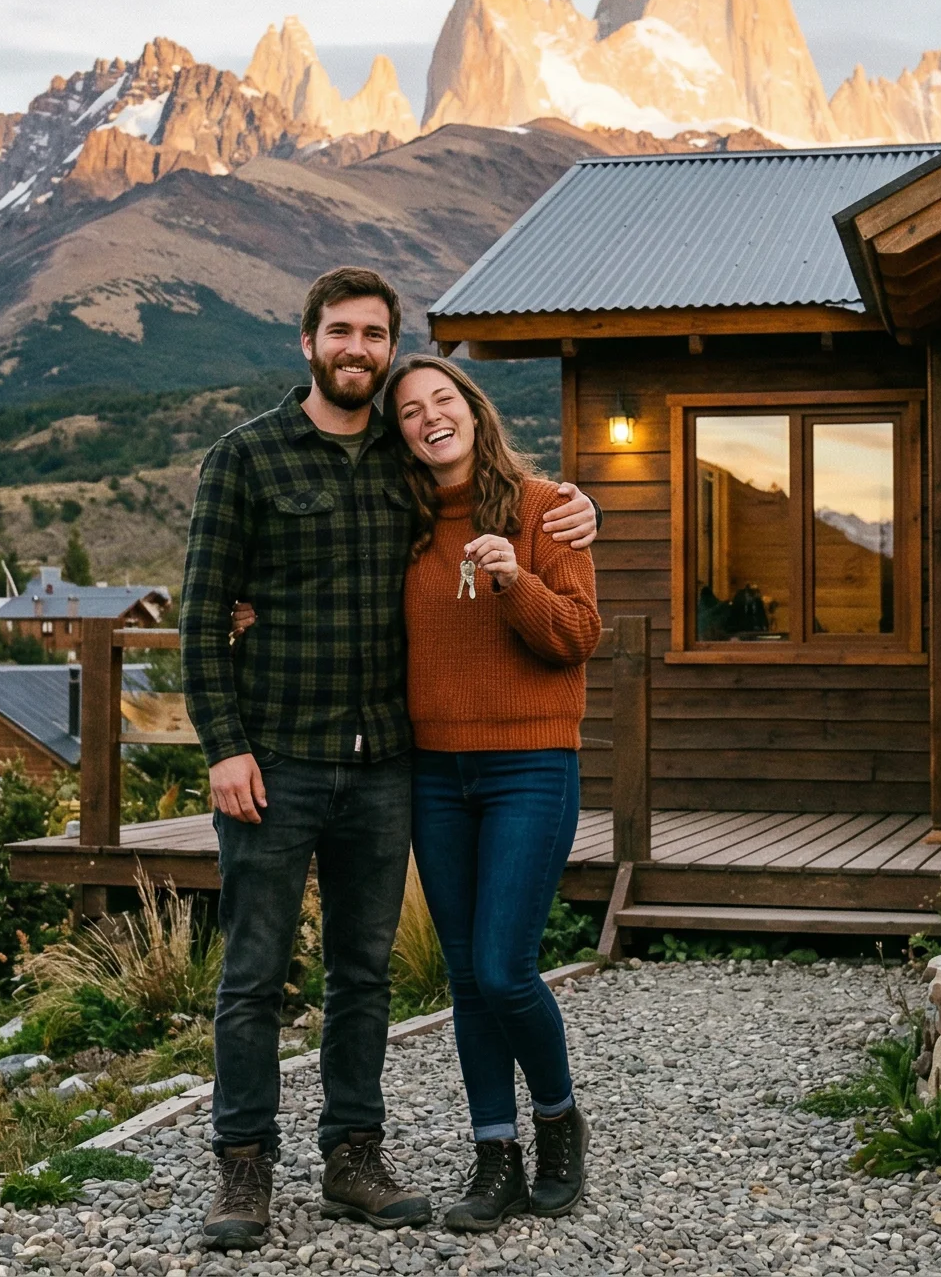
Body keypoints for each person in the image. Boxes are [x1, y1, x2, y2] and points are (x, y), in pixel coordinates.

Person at [180, 267, 596, 1251]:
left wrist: (577, 512)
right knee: (252, 976)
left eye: (376, 335)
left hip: (382, 770)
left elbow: (509, 514)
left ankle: (352, 1160)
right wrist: (223, 747)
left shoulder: (401, 465)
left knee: (365, 975)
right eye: (341, 333)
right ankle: (243, 1173)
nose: (358, 350)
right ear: (308, 342)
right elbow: (201, 616)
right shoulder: (245, 459)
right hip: (276, 763)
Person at [385, 354, 600, 1230]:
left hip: (530, 764)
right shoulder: (399, 524)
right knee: (467, 982)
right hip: (434, 773)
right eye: (409, 412)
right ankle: (492, 1155)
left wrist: (516, 578)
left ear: (473, 410)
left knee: (505, 967)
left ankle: (558, 1122)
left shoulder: (549, 509)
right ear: (397, 433)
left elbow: (578, 636)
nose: (430, 417)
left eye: (444, 400)